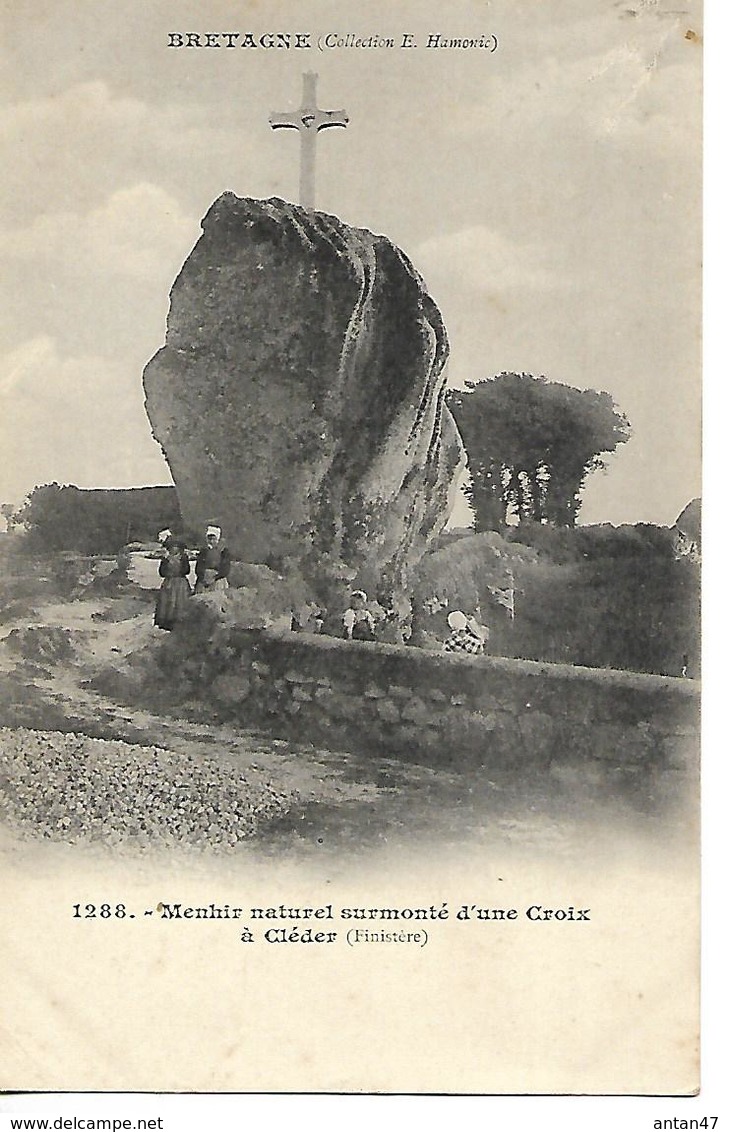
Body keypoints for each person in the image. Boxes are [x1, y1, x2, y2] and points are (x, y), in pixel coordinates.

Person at [154, 532, 192, 631]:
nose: (173, 549)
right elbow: (161, 573)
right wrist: (166, 562)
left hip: (181, 584)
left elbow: (187, 570)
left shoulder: (183, 558)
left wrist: (179, 571)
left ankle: (180, 623)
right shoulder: (165, 558)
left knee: (180, 603)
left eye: (176, 547)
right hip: (169, 582)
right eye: (171, 547)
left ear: (180, 548)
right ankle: (166, 624)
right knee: (167, 603)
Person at [194, 525, 231, 594]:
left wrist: (215, 577)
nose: (211, 541)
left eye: (214, 539)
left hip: (217, 580)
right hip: (203, 580)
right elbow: (198, 567)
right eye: (209, 539)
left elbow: (225, 568)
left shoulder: (223, 551)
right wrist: (203, 577)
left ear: (218, 540)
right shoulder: (203, 551)